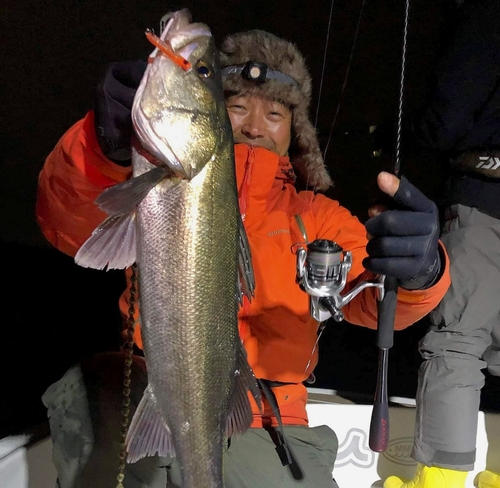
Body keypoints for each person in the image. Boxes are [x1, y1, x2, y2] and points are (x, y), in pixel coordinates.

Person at [36, 27, 451, 488]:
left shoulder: (317, 218)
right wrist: (101, 147)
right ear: (211, 114)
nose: (254, 125)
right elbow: (68, 223)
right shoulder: (151, 183)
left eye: (275, 112)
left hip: (269, 425)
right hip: (149, 401)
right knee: (85, 393)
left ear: (296, 131)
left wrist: (421, 273)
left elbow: (370, 302)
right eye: (236, 107)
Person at [379, 0, 500, 487]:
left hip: (486, 197)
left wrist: (403, 137)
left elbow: (453, 105)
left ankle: (442, 480)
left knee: (459, 342)